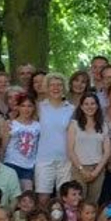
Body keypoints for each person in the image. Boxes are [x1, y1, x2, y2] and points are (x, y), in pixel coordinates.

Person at [35, 73, 76, 205]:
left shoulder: (71, 109)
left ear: (64, 88)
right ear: (46, 88)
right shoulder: (39, 107)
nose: (56, 88)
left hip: (65, 160)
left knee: (63, 200)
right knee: (43, 198)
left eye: (59, 85)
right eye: (52, 85)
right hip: (44, 158)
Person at [3, 93, 40, 197]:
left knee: (28, 194)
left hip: (28, 165)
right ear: (18, 107)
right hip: (11, 163)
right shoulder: (11, 124)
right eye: (23, 106)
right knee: (12, 194)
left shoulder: (37, 126)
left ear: (33, 108)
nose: (26, 109)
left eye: (29, 106)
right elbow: (4, 145)